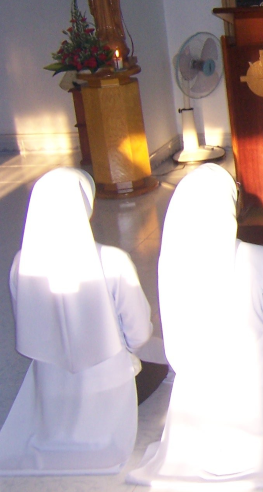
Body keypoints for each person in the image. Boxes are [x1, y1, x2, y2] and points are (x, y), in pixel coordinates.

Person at [127, 163, 263, 488]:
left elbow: (175, 355)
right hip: (255, 395)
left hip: (196, 397)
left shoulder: (170, 264)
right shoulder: (262, 259)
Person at [0, 168, 156, 475]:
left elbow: (27, 332)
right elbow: (139, 334)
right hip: (109, 385)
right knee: (157, 363)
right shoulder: (112, 260)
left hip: (51, 387)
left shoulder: (21, 262)